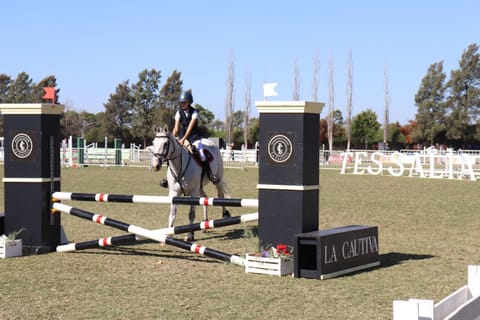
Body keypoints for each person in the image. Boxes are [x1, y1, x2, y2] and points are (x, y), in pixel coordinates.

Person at [172, 89, 219, 184]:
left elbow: (189, 128)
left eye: (184, 102)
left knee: (201, 153)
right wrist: (172, 139)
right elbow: (176, 128)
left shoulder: (194, 112)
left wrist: (183, 139)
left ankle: (210, 174)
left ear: (189, 102)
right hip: (182, 137)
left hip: (194, 137)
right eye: (181, 103)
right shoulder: (178, 112)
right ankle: (169, 178)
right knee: (172, 153)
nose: (183, 104)